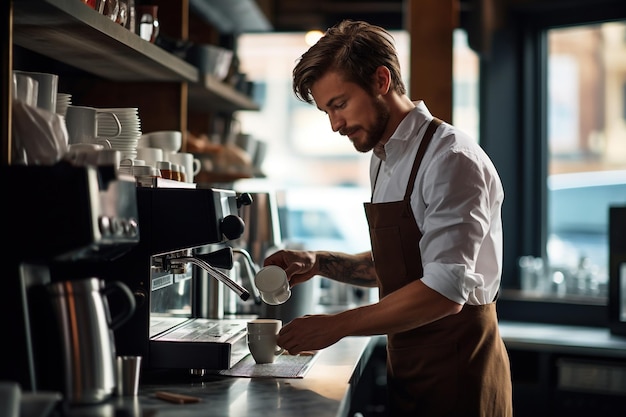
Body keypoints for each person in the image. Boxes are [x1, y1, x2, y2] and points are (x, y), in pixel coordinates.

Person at [263, 20, 513, 416]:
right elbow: (402, 267)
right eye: (327, 110)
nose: (335, 125)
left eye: (339, 104)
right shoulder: (383, 159)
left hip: (460, 374)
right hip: (411, 371)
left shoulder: (450, 158)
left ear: (382, 80)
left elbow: (444, 291)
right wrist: (318, 262)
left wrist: (335, 325)